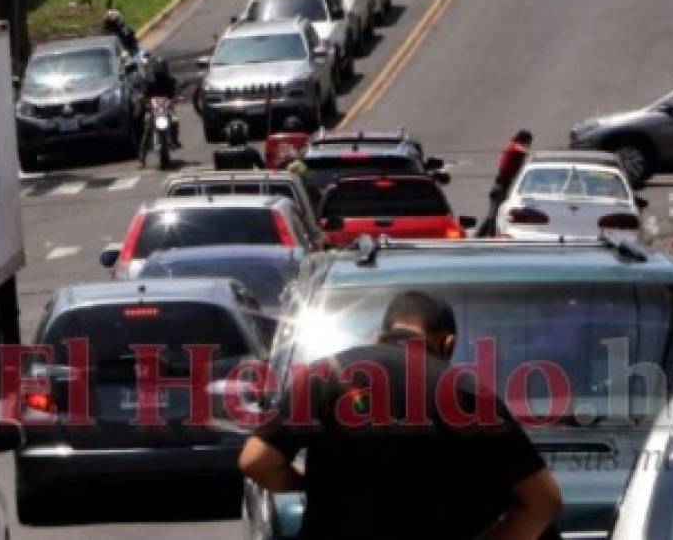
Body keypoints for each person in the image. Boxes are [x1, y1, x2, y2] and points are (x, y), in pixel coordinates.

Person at [239, 290, 563, 540]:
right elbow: (543, 502)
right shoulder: (467, 394)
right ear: (448, 344)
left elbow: (256, 462)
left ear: (378, 336)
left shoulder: (322, 376)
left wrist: (304, 483)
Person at [477, 130, 533, 237]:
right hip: (501, 185)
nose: (529, 144)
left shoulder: (514, 146)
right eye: (529, 142)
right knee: (494, 214)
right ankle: (489, 237)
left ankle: (479, 236)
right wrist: (531, 154)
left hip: (503, 184)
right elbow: (521, 150)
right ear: (524, 140)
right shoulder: (515, 146)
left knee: (493, 213)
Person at [138, 58, 180, 159]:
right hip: (153, 109)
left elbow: (176, 92)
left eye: (163, 67)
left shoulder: (171, 81)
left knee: (175, 121)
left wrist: (175, 99)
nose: (162, 70)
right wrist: (146, 103)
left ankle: (174, 140)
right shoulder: (150, 82)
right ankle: (142, 158)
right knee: (148, 129)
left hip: (167, 109)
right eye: (160, 67)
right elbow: (144, 95)